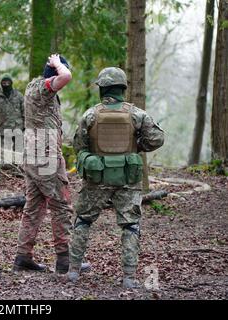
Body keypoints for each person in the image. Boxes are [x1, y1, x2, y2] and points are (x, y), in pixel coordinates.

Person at [69, 67, 165, 288]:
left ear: (102, 89)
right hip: (127, 181)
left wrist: (94, 157)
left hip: (97, 180)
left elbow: (79, 146)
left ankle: (73, 271)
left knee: (83, 221)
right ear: (122, 88)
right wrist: (136, 145)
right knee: (130, 226)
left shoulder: (90, 115)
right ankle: (129, 277)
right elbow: (157, 139)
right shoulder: (137, 114)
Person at [13, 54, 90, 274]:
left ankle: (23, 257)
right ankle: (64, 260)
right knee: (61, 206)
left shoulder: (33, 86)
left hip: (31, 156)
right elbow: (66, 76)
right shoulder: (45, 88)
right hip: (45, 157)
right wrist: (58, 64)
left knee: (34, 207)